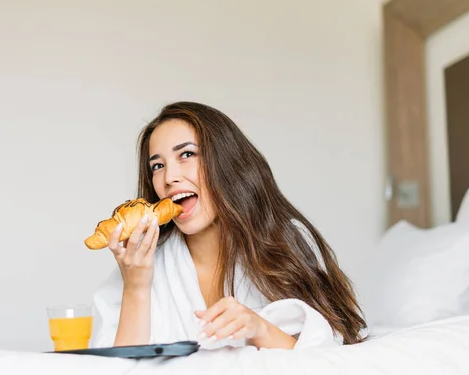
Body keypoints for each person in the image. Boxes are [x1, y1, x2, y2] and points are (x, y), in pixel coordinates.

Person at [91, 101, 367, 351]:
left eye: (186, 155)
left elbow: (329, 360)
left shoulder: (284, 245)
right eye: (157, 166)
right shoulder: (139, 265)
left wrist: (258, 327)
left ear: (225, 162)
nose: (169, 177)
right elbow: (117, 373)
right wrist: (137, 287)